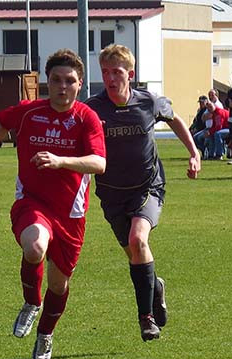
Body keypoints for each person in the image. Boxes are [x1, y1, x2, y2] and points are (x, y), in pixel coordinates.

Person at [0, 49, 106, 359]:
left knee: (59, 284)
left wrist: (61, 161)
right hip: (32, 202)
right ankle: (30, 303)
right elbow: (0, 125)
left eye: (69, 81)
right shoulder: (29, 111)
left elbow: (99, 163)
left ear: (80, 85)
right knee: (35, 246)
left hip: (71, 214)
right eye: (56, 80)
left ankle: (45, 334)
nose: (62, 87)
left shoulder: (86, 118)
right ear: (45, 83)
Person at [85, 44, 200, 342]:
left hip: (147, 187)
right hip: (110, 193)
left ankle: (146, 318)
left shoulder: (148, 102)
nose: (110, 78)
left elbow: (174, 118)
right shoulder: (92, 108)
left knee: (138, 240)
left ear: (130, 74)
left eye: (117, 72)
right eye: (106, 72)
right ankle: (155, 287)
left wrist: (193, 152)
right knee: (134, 253)